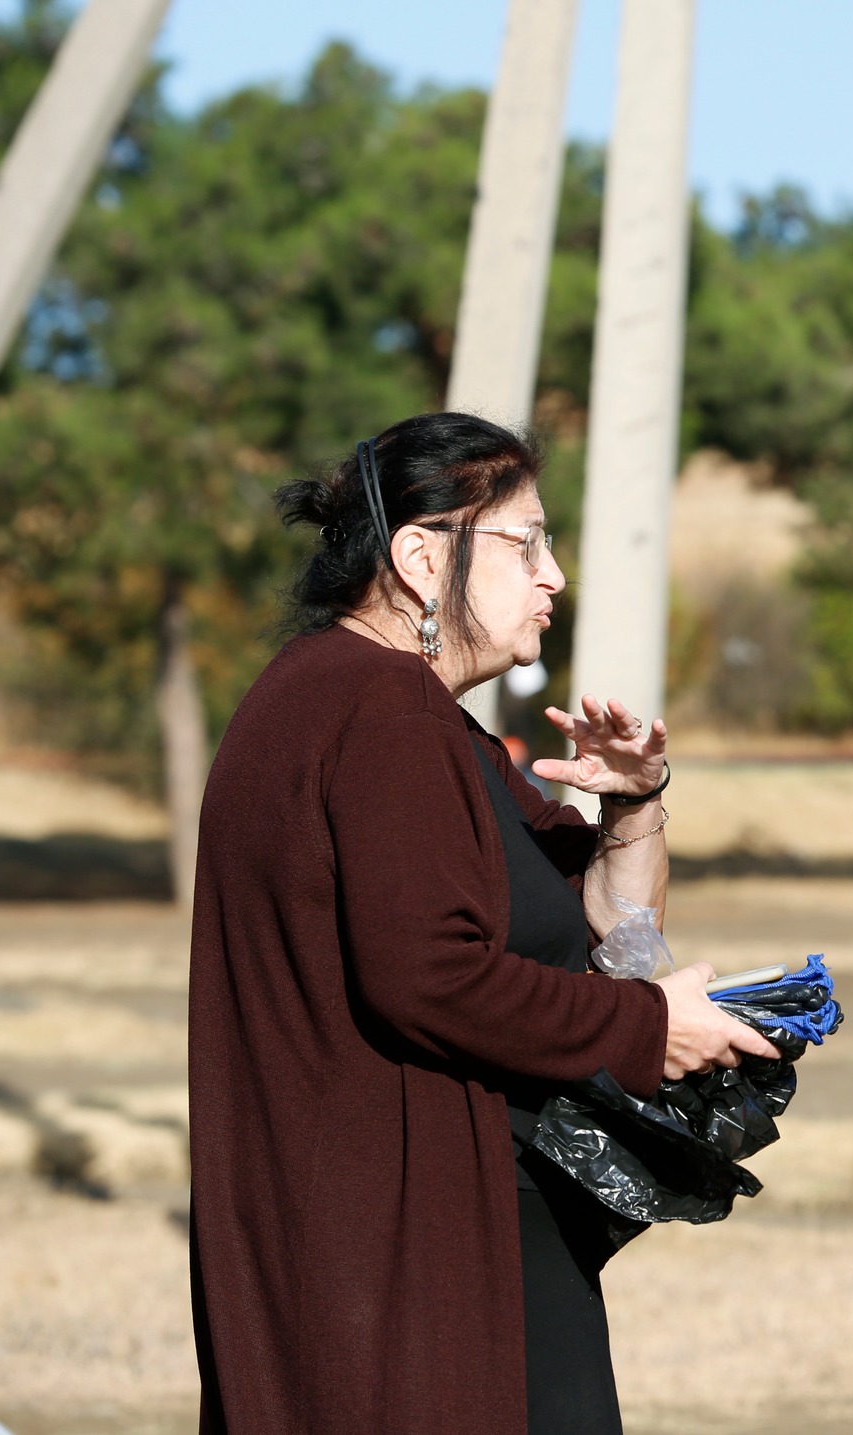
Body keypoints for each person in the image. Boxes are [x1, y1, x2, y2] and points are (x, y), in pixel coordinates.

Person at [189, 413, 774, 1435]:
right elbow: (430, 976)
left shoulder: (380, 708)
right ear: (422, 558)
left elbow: (604, 933)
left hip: (390, 1232)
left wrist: (633, 805)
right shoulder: (381, 710)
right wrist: (649, 1028)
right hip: (405, 1251)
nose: (554, 575)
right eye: (525, 541)